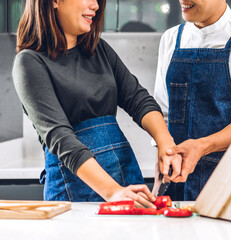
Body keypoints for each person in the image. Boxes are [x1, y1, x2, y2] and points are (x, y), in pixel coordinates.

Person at [12, 0, 181, 207]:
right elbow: (61, 138)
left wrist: (166, 144)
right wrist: (113, 192)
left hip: (125, 181)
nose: (96, 6)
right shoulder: (29, 62)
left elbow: (138, 99)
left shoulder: (98, 49)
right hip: (75, 191)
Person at [154, 0, 231, 201]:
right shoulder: (170, 39)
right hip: (174, 184)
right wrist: (161, 172)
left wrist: (202, 146)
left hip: (228, 186)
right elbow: (163, 112)